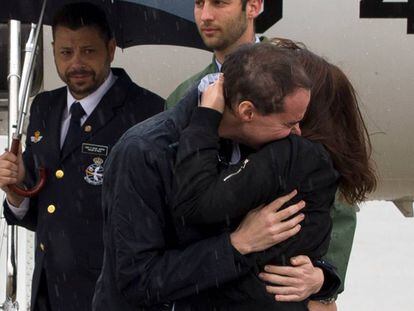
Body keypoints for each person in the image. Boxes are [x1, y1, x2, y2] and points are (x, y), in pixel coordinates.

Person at [92, 43, 341, 310]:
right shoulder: (143, 152)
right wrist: (237, 245)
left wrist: (319, 278)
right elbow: (138, 281)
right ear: (247, 112)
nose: (297, 133)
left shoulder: (261, 142)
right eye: (288, 123)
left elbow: (289, 235)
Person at [165, 0, 358, 308]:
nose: (206, 15)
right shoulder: (185, 95)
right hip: (211, 284)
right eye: (199, 3)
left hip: (276, 287)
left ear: (253, 5)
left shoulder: (298, 76)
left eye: (220, 2)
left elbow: (334, 193)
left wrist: (323, 282)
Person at [0, 3, 164, 311]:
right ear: (52, 51)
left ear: (111, 49)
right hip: (49, 293)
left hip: (112, 296)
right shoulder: (44, 107)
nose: (76, 63)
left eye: (88, 51)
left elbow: (158, 216)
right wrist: (17, 189)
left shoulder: (147, 112)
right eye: (65, 52)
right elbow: (47, 212)